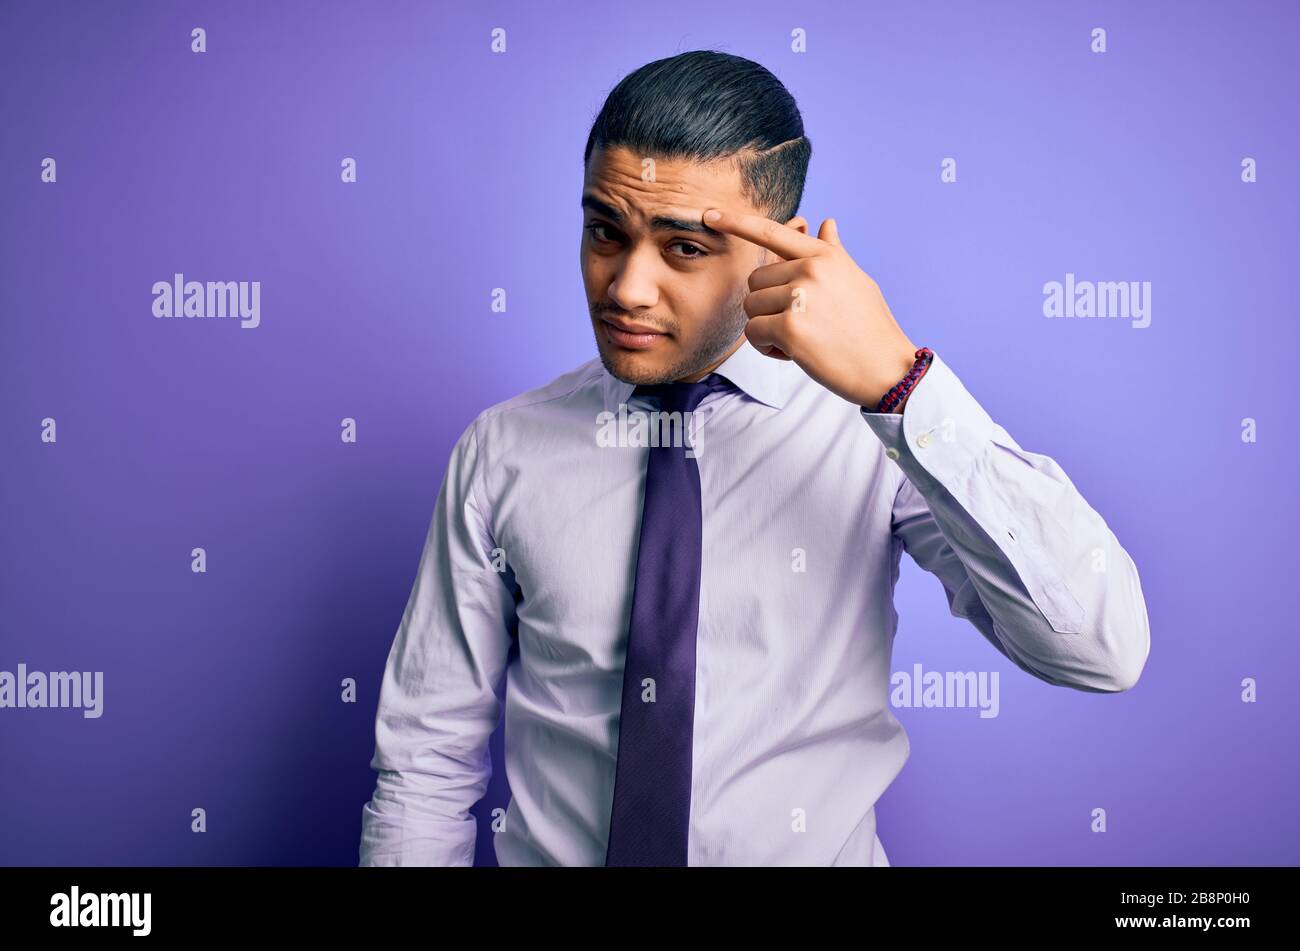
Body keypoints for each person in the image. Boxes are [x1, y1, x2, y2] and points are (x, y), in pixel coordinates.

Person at [358, 50, 1150, 867]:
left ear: (778, 253)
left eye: (685, 250)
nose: (628, 287)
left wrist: (900, 386)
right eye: (605, 232)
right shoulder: (504, 451)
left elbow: (1100, 650)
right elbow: (425, 760)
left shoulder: (876, 437)